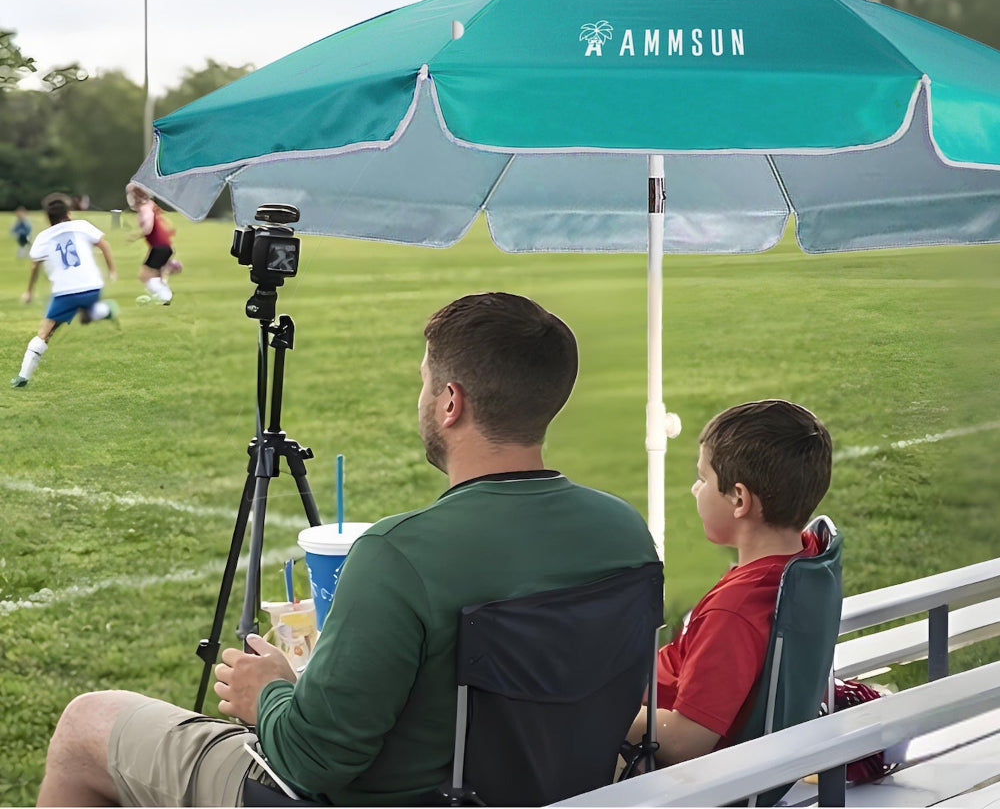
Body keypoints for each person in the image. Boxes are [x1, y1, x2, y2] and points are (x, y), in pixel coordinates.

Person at [37, 292, 659, 807]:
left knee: (86, 723)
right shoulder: (626, 532)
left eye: (424, 382)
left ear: (450, 403)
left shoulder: (401, 553)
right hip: (554, 789)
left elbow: (311, 763)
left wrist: (269, 692)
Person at [626, 399, 832, 768]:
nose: (694, 489)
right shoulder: (804, 558)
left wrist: (595, 713)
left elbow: (685, 741)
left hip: (657, 764)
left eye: (703, 479)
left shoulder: (736, 612)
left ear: (739, 498)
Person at [11, 194, 119, 389]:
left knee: (44, 333)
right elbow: (104, 243)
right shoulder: (82, 226)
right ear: (69, 213)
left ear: (47, 217)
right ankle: (104, 310)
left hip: (65, 293)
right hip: (92, 288)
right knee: (86, 315)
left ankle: (22, 377)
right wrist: (112, 271)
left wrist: (29, 291)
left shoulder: (43, 238)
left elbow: (35, 266)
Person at [125, 183, 176, 305]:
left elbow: (148, 227)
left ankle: (165, 296)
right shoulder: (151, 205)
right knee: (155, 275)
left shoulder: (145, 209)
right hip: (163, 247)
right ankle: (163, 296)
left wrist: (135, 235)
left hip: (160, 247)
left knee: (144, 276)